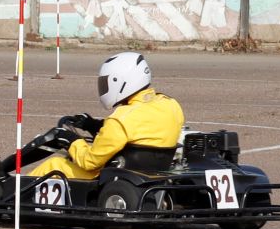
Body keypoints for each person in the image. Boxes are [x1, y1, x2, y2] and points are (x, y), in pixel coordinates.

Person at [29, 51, 185, 181]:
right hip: (155, 172)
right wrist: (94, 125)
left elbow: (90, 162)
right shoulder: (171, 105)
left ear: (122, 81)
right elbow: (144, 130)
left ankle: (12, 200)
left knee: (55, 164)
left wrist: (71, 141)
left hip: (113, 176)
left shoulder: (121, 119)